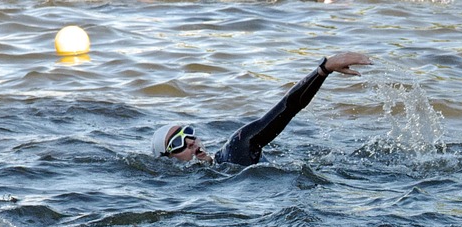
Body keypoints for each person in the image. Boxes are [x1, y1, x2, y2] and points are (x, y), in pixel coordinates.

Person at [150, 51, 372, 166]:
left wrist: (323, 70)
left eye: (188, 132)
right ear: (168, 159)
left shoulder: (236, 149)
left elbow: (286, 109)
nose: (190, 141)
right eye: (177, 142)